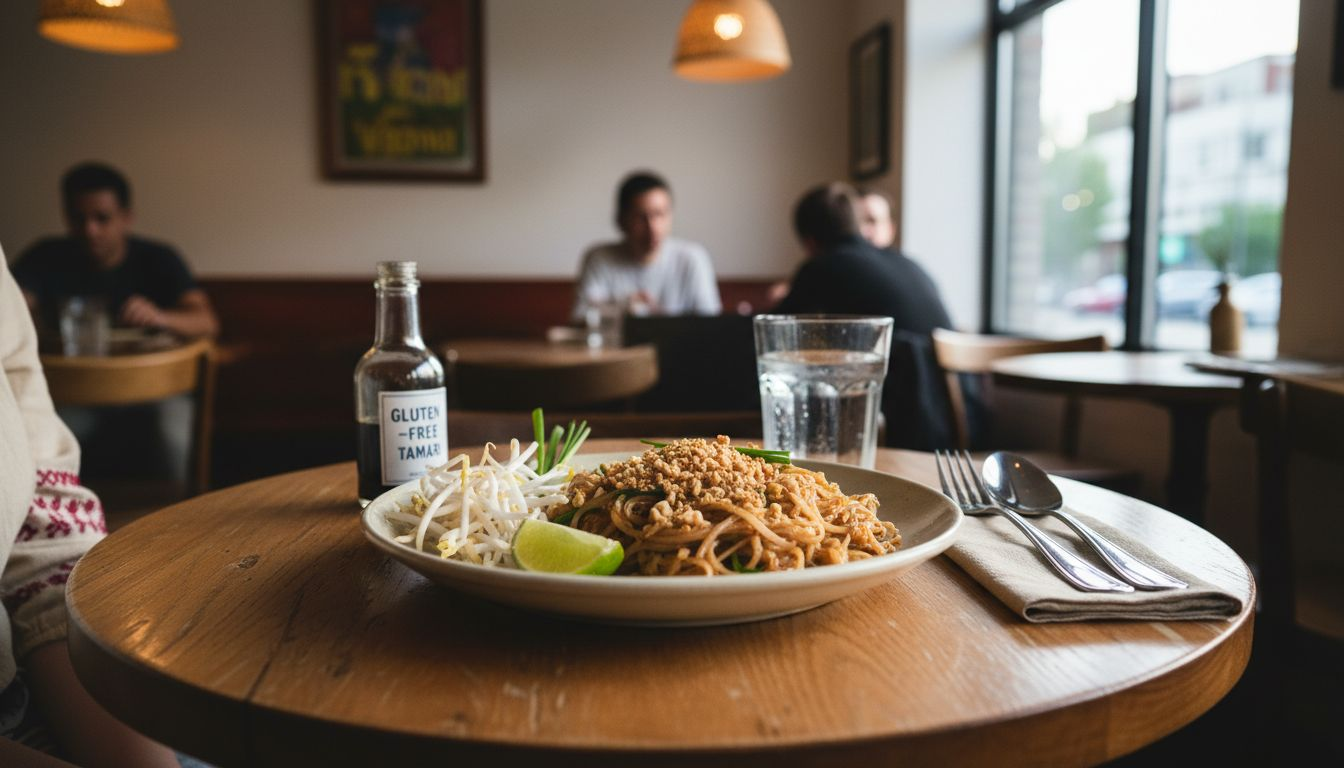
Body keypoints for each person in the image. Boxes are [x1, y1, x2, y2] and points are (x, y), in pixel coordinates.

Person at [0, 256, 180, 767]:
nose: (93, 229)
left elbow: (44, 524)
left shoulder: (156, 256)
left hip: (37, 673)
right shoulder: (49, 254)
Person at [773, 182, 963, 449]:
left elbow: (776, 333)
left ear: (809, 241)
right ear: (855, 222)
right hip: (961, 415)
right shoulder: (907, 263)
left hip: (910, 423)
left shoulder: (822, 266)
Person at [11, 162, 218, 340]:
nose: (90, 230)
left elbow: (206, 322)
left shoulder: (159, 258)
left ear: (126, 217)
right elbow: (12, 306)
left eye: (102, 218)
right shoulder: (45, 256)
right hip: (63, 382)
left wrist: (160, 317)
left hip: (145, 381)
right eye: (78, 218)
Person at [572, 171, 721, 321]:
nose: (653, 227)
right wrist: (623, 306)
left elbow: (710, 323)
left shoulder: (692, 258)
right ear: (621, 220)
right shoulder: (599, 259)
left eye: (660, 214)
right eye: (641, 217)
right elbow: (580, 318)